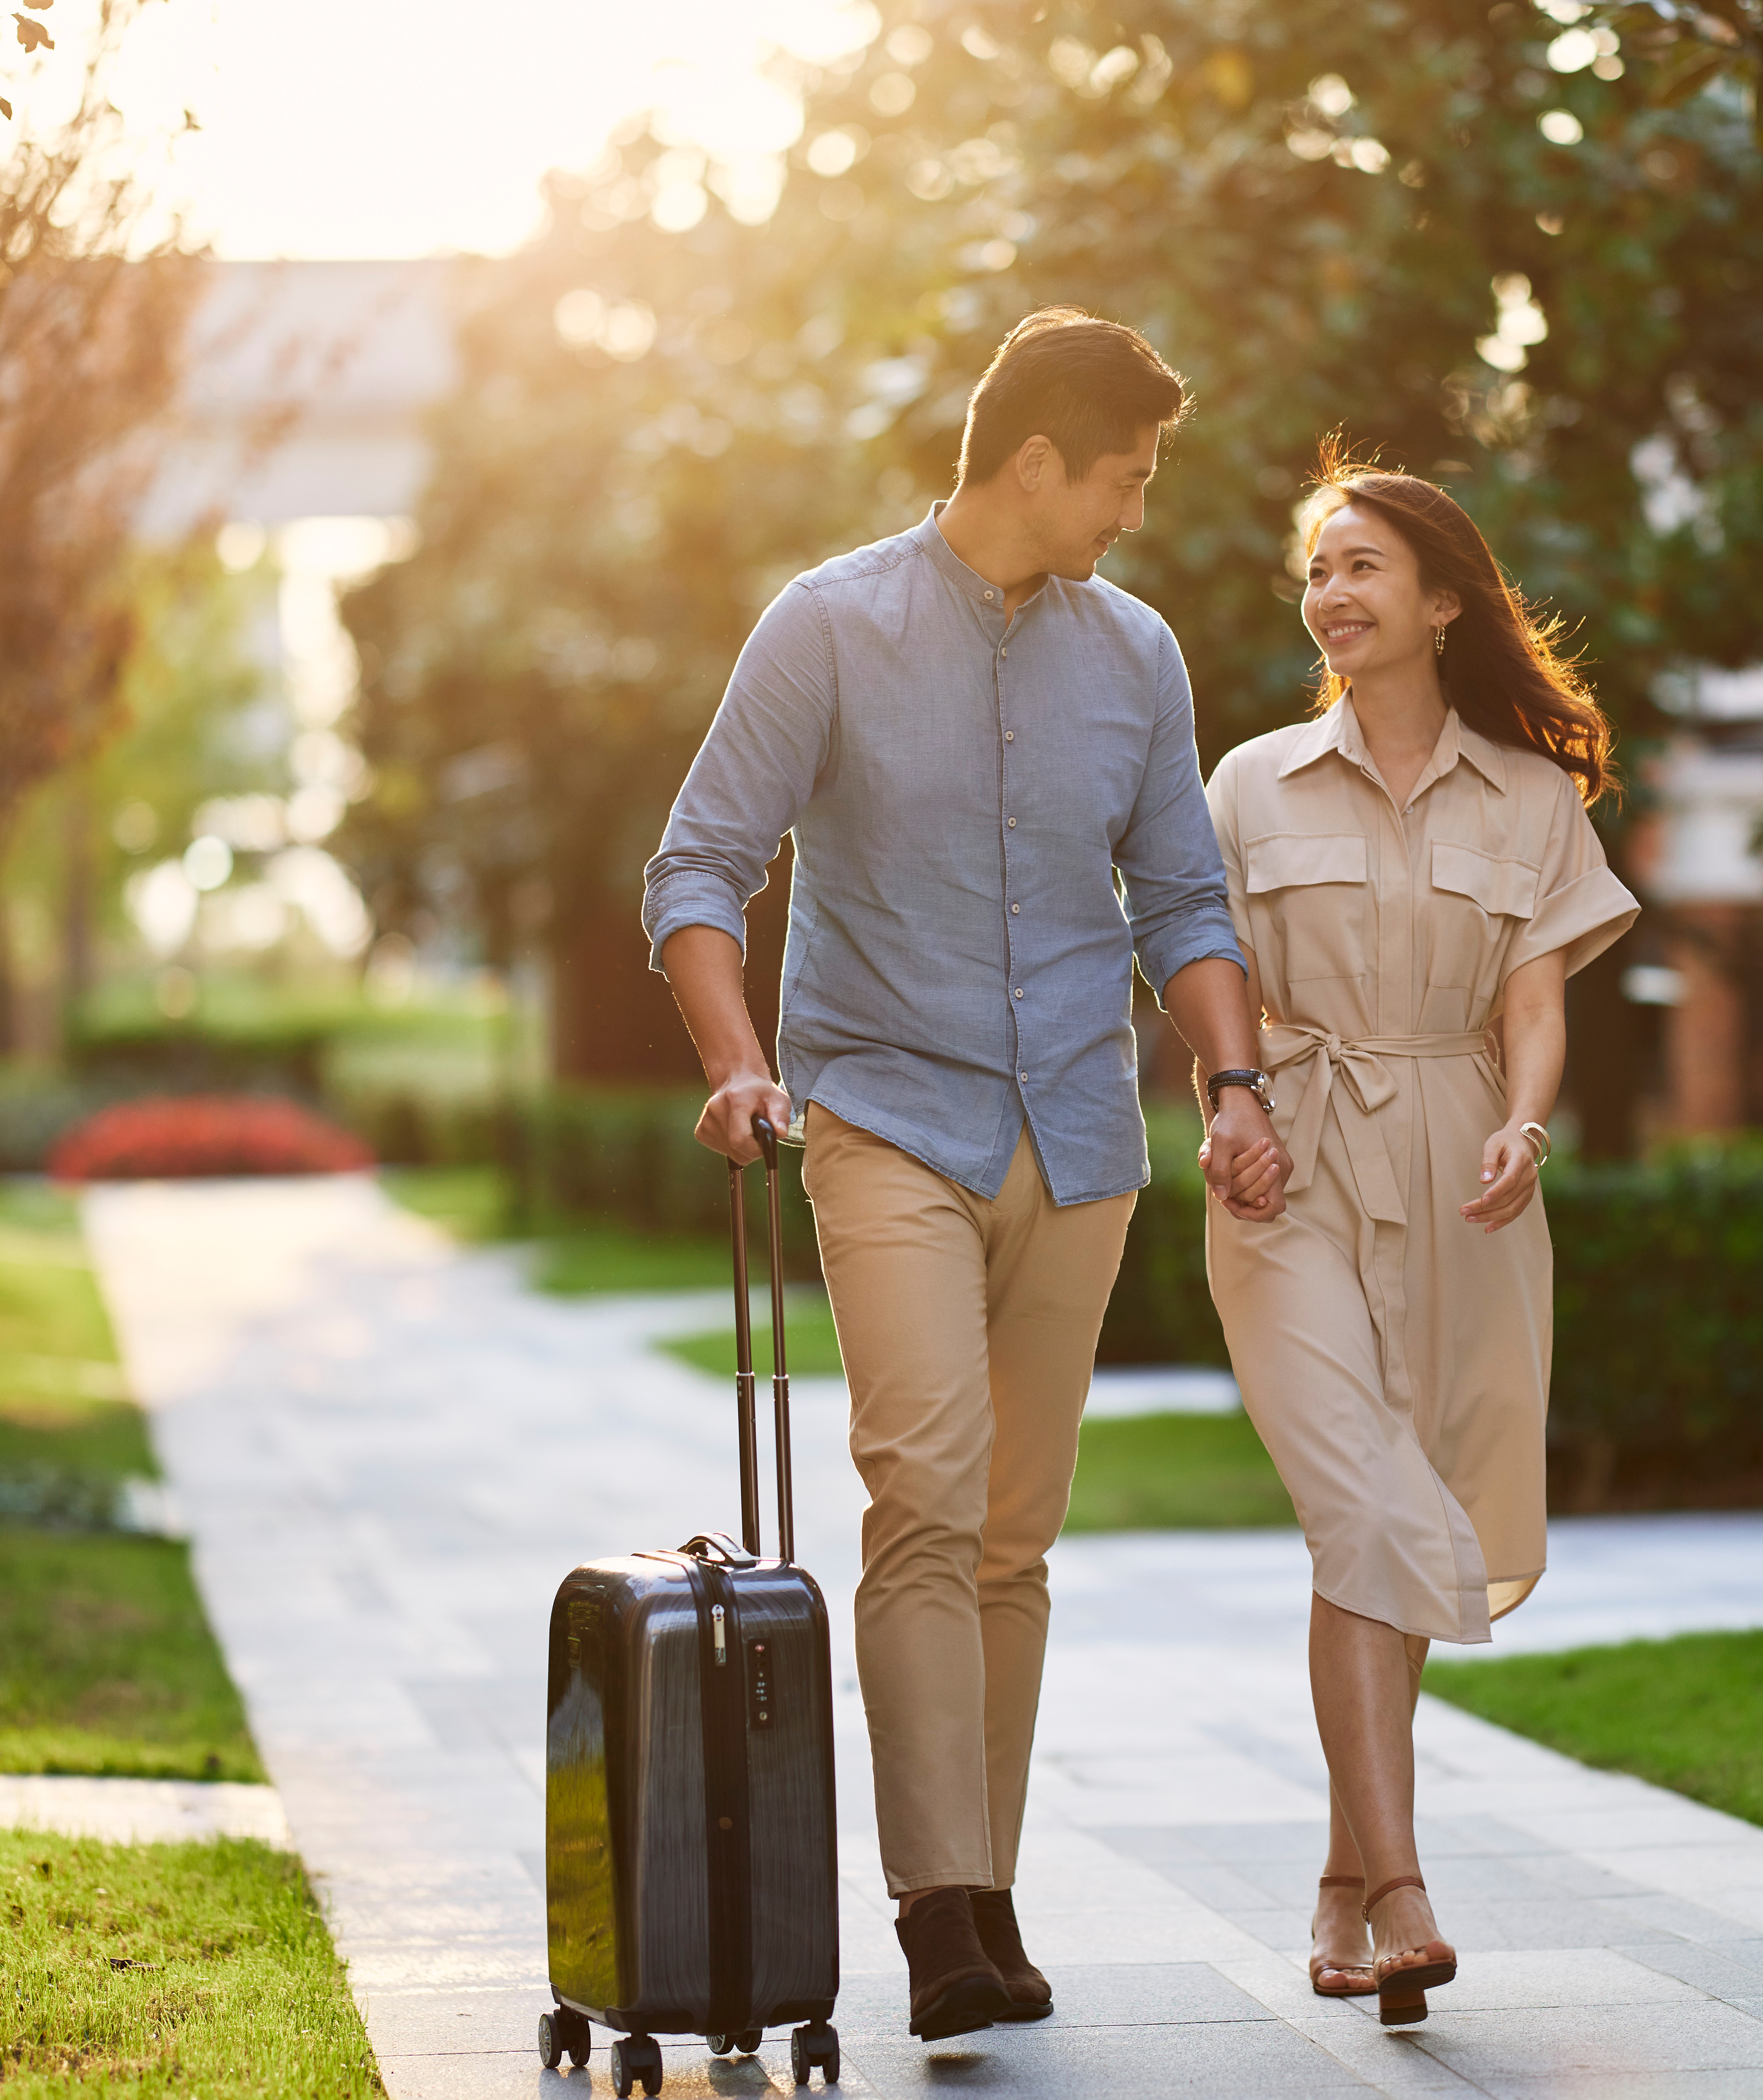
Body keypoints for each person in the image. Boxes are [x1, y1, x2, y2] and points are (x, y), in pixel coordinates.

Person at [642, 308, 1291, 2045]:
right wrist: (738, 1065)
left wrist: (1231, 1078)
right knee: (923, 1486)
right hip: (883, 1118)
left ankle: (986, 1897)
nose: (1135, 513)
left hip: (1076, 1135)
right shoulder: (826, 626)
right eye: (1126, 479)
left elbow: (1180, 899)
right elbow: (699, 866)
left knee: (1014, 1537)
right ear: (1035, 463)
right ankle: (941, 1910)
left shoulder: (1136, 655)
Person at [1198, 450, 1637, 2027]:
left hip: (1462, 1168)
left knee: (1395, 1509)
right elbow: (1212, 977)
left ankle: (1334, 1880)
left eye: (1364, 563)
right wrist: (1227, 1101)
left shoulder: (1528, 796)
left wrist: (1524, 1123)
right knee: (1359, 1488)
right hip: (1284, 1166)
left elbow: (1534, 1002)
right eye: (1318, 567)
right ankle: (1400, 1885)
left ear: (1442, 598)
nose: (1332, 592)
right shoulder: (1245, 784)